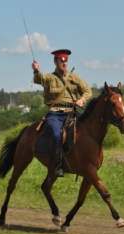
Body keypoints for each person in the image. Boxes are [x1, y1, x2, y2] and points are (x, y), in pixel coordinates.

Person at [32, 49, 92, 177]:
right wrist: (36, 70)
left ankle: (83, 162)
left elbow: (87, 90)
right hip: (55, 114)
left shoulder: (74, 77)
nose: (64, 63)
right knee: (57, 135)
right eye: (61, 60)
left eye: (66, 60)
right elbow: (39, 79)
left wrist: (82, 100)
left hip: (71, 112)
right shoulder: (50, 78)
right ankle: (58, 165)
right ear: (55, 61)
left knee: (86, 133)